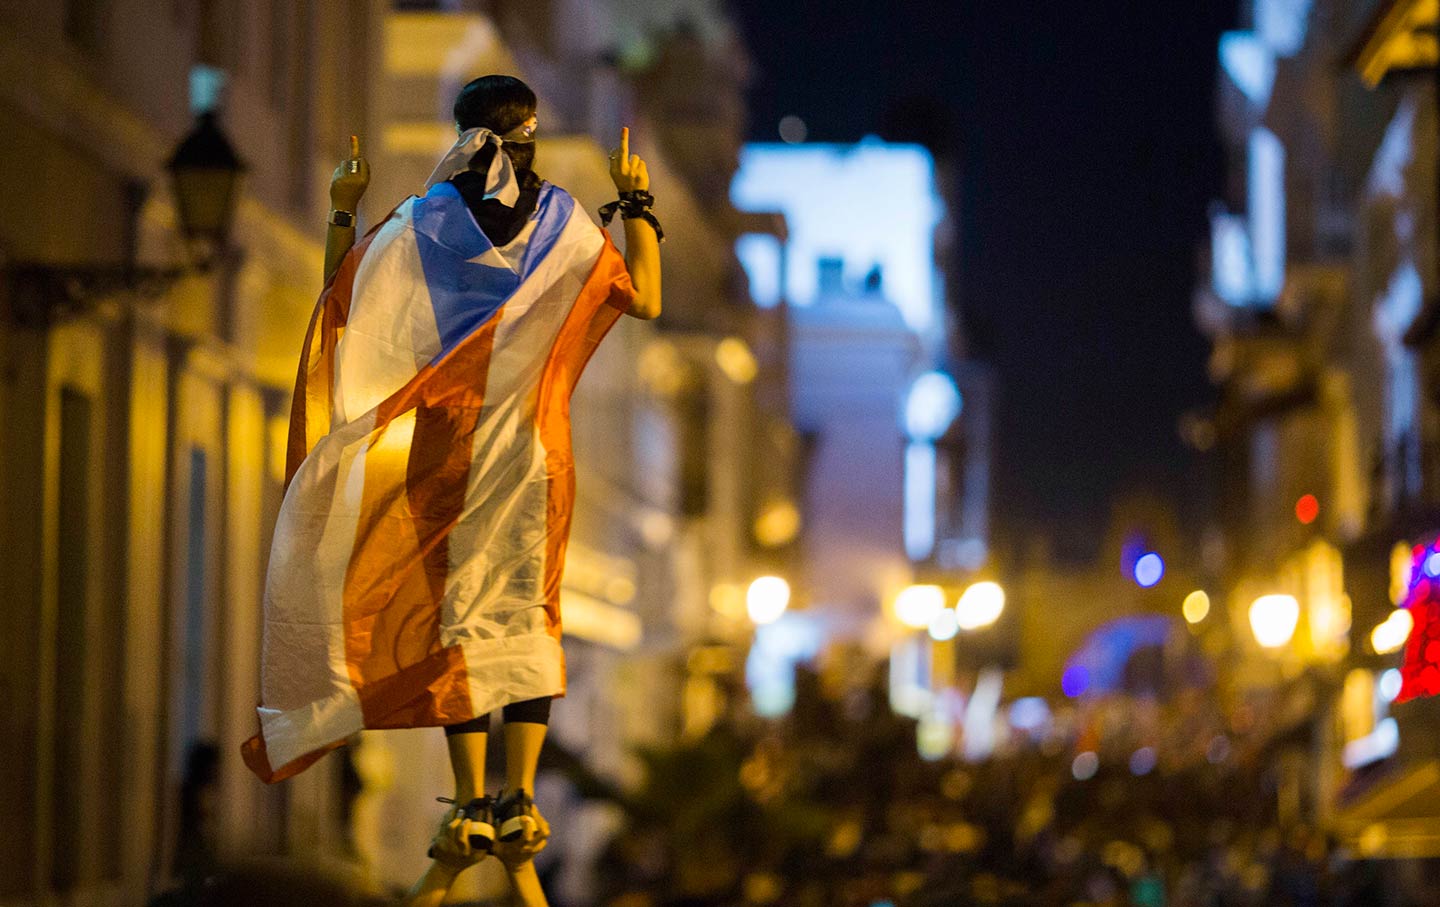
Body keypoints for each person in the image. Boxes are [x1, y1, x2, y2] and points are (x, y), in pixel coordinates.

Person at [242, 73, 661, 903]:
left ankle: (470, 797)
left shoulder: (421, 221)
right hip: (537, 454)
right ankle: (519, 797)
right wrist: (637, 200)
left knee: (455, 614)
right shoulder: (566, 224)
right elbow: (645, 298)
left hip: (446, 453)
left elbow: (343, 296)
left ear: (461, 131)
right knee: (528, 610)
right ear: (533, 136)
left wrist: (342, 205)